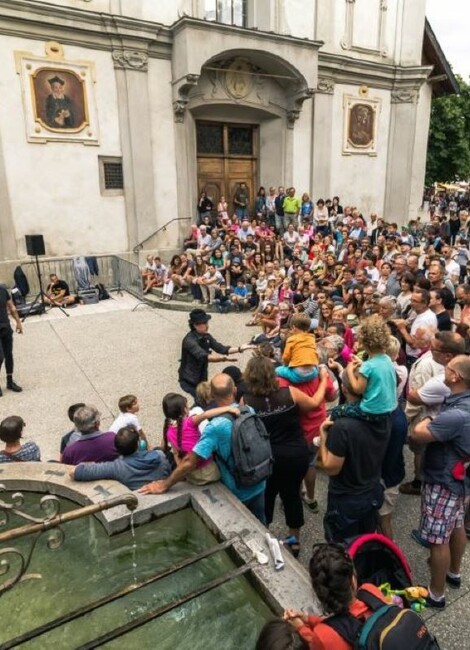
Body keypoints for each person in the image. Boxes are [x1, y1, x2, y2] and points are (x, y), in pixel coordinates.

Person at [139, 374, 267, 524]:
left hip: (237, 488)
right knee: (261, 524)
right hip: (259, 479)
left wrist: (164, 485)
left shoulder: (216, 426)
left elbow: (190, 462)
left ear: (212, 395)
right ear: (235, 390)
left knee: (242, 526)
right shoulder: (248, 409)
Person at [243, 356, 330, 556]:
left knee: (267, 495)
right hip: (294, 454)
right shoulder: (289, 393)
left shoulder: (247, 401)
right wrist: (324, 379)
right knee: (292, 495)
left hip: (267, 458)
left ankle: (265, 536)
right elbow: (315, 403)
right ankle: (294, 541)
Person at [409, 354, 470, 608]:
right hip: (459, 478)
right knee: (456, 524)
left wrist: (429, 418)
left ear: (455, 376)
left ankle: (436, 593)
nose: (444, 370)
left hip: (443, 479)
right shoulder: (463, 403)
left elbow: (418, 434)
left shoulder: (456, 414)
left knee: (438, 538)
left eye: (448, 367)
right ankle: (453, 573)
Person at [319, 370, 390, 542]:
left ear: (344, 389)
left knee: (342, 548)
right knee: (364, 543)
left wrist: (322, 435)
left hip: (347, 498)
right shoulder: (383, 416)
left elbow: (331, 467)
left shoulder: (342, 427)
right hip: (372, 490)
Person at [284, 544, 389, 649]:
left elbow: (316, 643)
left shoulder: (323, 636)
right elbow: (346, 623)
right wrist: (307, 619)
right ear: (353, 581)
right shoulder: (370, 592)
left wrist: (300, 627)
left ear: (319, 593)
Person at [162, 391, 237, 485]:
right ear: (185, 410)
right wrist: (228, 408)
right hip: (209, 473)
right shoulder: (190, 422)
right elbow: (206, 414)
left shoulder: (169, 432)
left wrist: (182, 473)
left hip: (191, 475)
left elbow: (176, 454)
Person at [331, 317, 397, 423]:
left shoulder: (367, 366)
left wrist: (348, 371)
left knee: (336, 411)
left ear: (364, 343)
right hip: (390, 409)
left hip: (371, 411)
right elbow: (377, 368)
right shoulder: (387, 359)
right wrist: (362, 364)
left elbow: (358, 389)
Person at [177, 309, 252, 399]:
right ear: (195, 325)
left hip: (201, 376)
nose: (207, 326)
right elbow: (205, 357)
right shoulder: (189, 341)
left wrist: (240, 349)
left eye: (207, 322)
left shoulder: (206, 336)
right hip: (189, 380)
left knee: (205, 399)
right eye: (204, 323)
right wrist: (224, 359)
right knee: (203, 400)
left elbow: (221, 348)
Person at [71, 426, 171, 490]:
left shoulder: (116, 467)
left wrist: (89, 464)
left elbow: (76, 472)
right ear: (138, 444)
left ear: (117, 448)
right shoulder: (160, 456)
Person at [276, 313, 319, 384]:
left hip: (298, 374)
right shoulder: (312, 338)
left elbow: (286, 357)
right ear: (308, 328)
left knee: (277, 370)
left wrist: (286, 366)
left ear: (293, 327)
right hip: (313, 373)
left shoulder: (291, 339)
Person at [0, 283, 23, 394]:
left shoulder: (3, 290)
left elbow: (12, 307)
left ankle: (10, 381)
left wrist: (18, 322)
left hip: (5, 327)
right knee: (0, 357)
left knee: (9, 354)